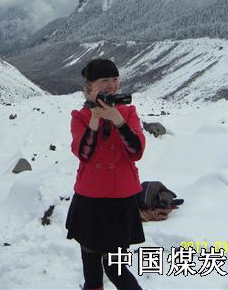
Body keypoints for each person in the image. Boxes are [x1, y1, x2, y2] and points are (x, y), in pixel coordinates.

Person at [65, 59, 146, 290]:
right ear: (90, 85)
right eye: (104, 80)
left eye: (115, 79)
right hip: (90, 199)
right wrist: (95, 117)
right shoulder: (80, 116)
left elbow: (136, 151)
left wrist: (117, 120)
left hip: (120, 199)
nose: (111, 85)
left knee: (115, 266)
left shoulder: (128, 112)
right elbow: (84, 154)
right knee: (91, 265)